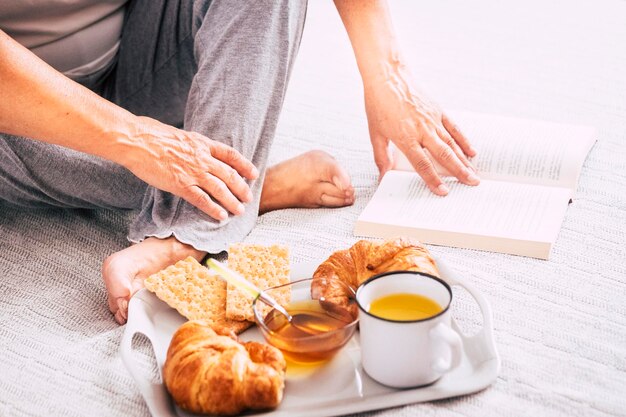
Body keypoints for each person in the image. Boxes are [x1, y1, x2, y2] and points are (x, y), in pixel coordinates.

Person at [0, 0, 479, 324]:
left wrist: (385, 71)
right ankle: (245, 186)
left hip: (136, 55)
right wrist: (135, 139)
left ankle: (191, 225)